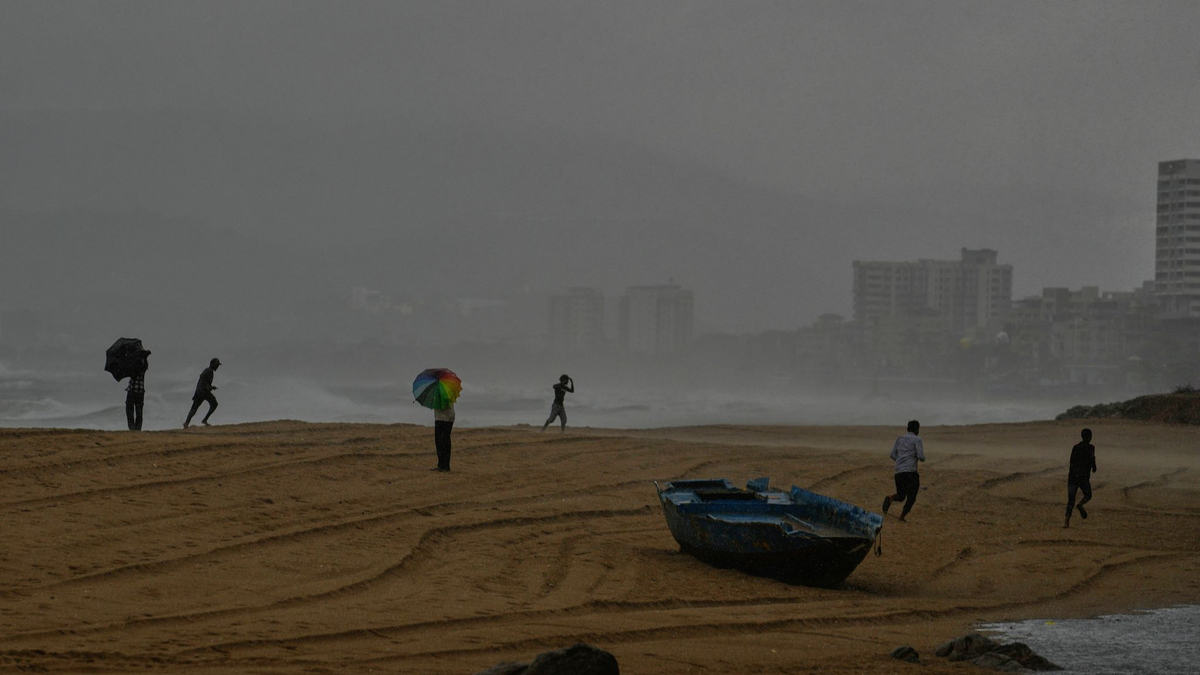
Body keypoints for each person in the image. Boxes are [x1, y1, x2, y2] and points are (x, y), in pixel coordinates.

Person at [883, 420, 925, 522]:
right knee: (911, 497)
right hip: (911, 472)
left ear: (907, 429)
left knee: (901, 496)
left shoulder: (899, 438)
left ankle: (890, 497)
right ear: (917, 430)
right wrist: (922, 458)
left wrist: (901, 462)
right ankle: (901, 517)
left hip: (899, 472)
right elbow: (920, 456)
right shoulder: (917, 440)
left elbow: (892, 455)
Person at [1064, 428, 1097, 528]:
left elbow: (1071, 462)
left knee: (1071, 500)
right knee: (1088, 495)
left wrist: (1074, 472)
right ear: (1090, 437)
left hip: (1073, 477)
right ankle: (1080, 504)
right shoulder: (1091, 448)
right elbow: (1093, 466)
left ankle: (1066, 521)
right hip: (1083, 477)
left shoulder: (1076, 447)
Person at [184, 358, 221, 428]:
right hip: (202, 392)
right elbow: (202, 378)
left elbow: (205, 382)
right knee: (213, 404)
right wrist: (208, 387)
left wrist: (211, 387)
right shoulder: (208, 371)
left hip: (201, 392)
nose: (217, 367)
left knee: (195, 408)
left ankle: (187, 423)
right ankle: (190, 422)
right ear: (213, 364)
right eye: (216, 365)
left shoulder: (210, 371)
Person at [125, 349, 150, 431]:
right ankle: (137, 428)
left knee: (130, 410)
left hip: (132, 390)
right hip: (140, 391)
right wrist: (145, 357)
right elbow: (145, 366)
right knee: (139, 411)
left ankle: (132, 428)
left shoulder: (133, 365)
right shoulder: (143, 365)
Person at [432, 402, 455, 472]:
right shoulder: (443, 393)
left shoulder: (445, 393)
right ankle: (441, 464)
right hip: (441, 417)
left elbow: (444, 403)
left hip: (444, 418)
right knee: (439, 441)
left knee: (443, 441)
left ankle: (445, 465)